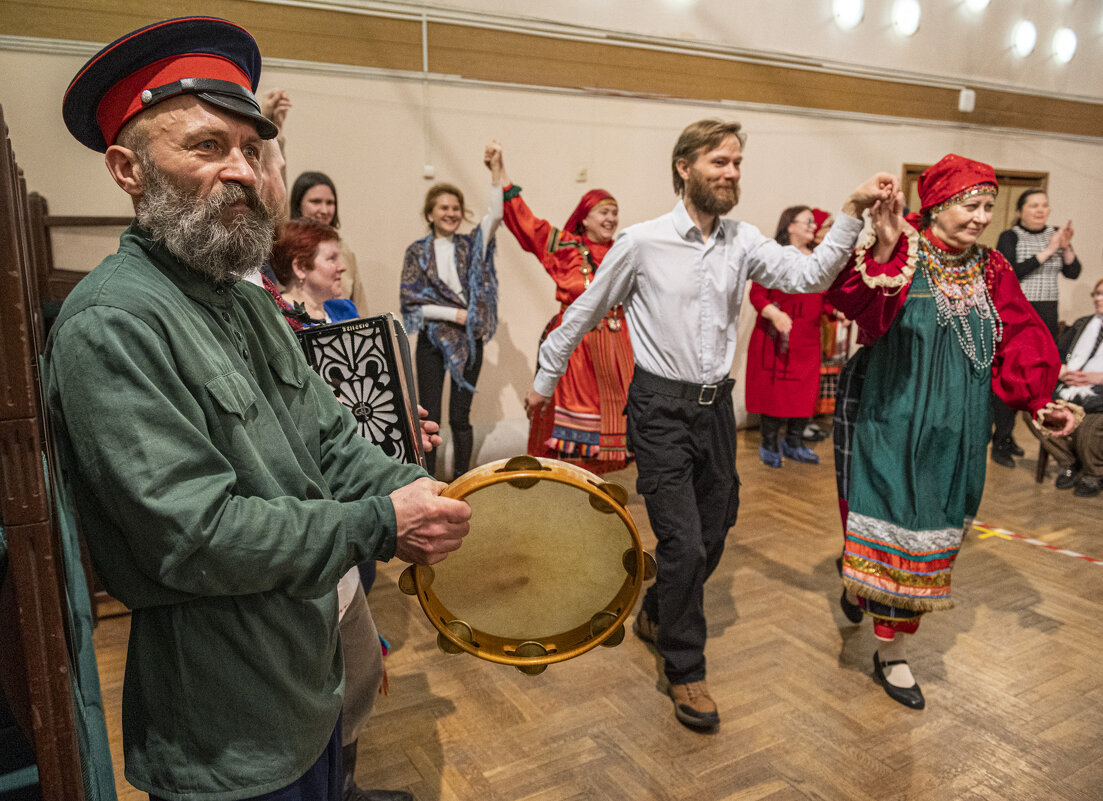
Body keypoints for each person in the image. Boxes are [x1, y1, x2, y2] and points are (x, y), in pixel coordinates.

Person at [50, 17, 470, 800]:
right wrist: (381, 521)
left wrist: (426, 493)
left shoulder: (237, 302)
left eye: (250, 148)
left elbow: (331, 438)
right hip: (227, 724)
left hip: (304, 676)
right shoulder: (113, 322)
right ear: (127, 169)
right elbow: (195, 536)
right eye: (207, 146)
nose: (241, 170)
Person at [526, 118, 899, 731]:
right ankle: (685, 669)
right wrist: (544, 386)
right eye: (719, 162)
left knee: (716, 529)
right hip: (659, 409)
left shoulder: (743, 240)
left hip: (716, 410)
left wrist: (851, 210)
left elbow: (809, 275)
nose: (731, 174)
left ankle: (655, 611)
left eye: (737, 165)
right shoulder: (642, 242)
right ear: (685, 167)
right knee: (683, 543)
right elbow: (584, 312)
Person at [828, 154, 1077, 711]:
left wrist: (1039, 399)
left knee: (935, 526)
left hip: (960, 423)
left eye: (988, 206)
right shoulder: (902, 251)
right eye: (971, 204)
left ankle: (859, 588)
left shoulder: (990, 268)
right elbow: (850, 299)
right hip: (890, 411)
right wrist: (888, 247)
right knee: (894, 523)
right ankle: (891, 655)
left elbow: (1021, 335)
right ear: (937, 205)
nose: (981, 216)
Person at [498, 146, 633, 474]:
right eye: (603, 211)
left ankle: (598, 485)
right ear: (584, 218)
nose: (611, 218)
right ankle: (567, 484)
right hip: (577, 349)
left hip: (619, 348)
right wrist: (499, 172)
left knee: (616, 420)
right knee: (571, 426)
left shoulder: (625, 251)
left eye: (614, 212)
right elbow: (527, 225)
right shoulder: (567, 249)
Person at [400, 146, 504, 479]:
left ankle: (463, 480)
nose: (451, 213)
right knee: (430, 418)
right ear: (430, 213)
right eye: (443, 207)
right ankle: (427, 482)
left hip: (469, 342)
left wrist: (495, 172)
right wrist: (453, 315)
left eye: (456, 208)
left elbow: (496, 216)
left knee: (460, 417)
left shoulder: (471, 245)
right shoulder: (416, 252)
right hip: (432, 342)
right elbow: (411, 303)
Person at [990, 188, 1081, 466]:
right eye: (1033, 206)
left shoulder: (1054, 233)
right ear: (1020, 211)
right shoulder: (1010, 236)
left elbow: (1073, 271)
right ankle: (1001, 439)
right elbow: (1012, 273)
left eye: (1044, 205)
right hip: (1018, 315)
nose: (1040, 210)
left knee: (1037, 380)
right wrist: (1050, 249)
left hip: (1047, 314)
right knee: (1012, 377)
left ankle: (1013, 435)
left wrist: (1065, 246)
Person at [745, 205, 834, 467]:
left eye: (812, 222)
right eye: (806, 221)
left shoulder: (818, 258)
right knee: (775, 393)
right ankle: (769, 443)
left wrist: (835, 311)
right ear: (789, 226)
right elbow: (757, 294)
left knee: (804, 394)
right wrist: (775, 315)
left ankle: (794, 442)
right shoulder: (775, 256)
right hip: (777, 338)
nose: (812, 226)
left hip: (807, 338)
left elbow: (824, 296)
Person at [1029, 278, 1103, 498]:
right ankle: (1068, 462)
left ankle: (1093, 473)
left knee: (1089, 424)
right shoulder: (1082, 324)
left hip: (1099, 394)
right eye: (1096, 294)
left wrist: (1098, 377)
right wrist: (1062, 371)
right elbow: (1057, 355)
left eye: (1102, 295)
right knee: (1034, 412)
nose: (1098, 299)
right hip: (1069, 388)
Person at [290, 169, 370, 313]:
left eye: (330, 203)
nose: (324, 210)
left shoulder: (344, 249)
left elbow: (359, 302)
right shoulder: (286, 249)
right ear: (298, 204)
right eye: (316, 202)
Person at [272, 217, 358, 323]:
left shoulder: (345, 310)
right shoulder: (278, 318)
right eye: (332, 258)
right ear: (300, 268)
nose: (342, 267)